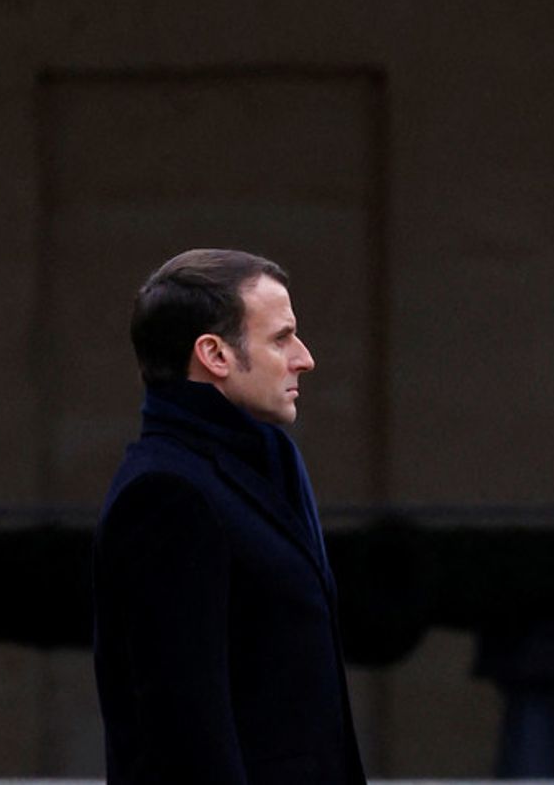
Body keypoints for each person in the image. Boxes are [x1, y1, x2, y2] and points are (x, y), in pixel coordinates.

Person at [92, 248, 368, 785]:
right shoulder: (165, 494)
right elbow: (182, 735)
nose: (304, 358)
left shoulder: (271, 462)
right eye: (281, 338)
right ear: (215, 354)